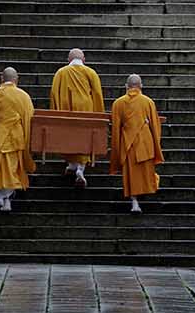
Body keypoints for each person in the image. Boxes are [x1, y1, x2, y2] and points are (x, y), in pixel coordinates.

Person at [49, 48, 105, 188]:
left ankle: (72, 164)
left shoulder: (61, 72)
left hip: (66, 108)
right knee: (84, 136)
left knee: (69, 135)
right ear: (84, 59)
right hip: (86, 108)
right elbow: (97, 94)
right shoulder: (90, 73)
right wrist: (99, 115)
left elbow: (54, 93)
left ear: (68, 60)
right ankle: (80, 168)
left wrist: (55, 112)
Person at [110, 73, 164, 214]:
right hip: (145, 143)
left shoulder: (118, 103)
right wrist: (156, 143)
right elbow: (155, 126)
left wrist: (116, 150)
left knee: (131, 174)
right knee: (147, 172)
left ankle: (134, 202)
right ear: (141, 86)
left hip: (128, 144)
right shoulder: (148, 102)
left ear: (126, 87)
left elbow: (115, 129)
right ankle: (146, 190)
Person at [0, 66, 35, 212]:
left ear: (1, 79)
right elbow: (29, 117)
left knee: (0, 168)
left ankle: (4, 199)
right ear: (16, 80)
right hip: (16, 137)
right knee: (11, 168)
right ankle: (6, 198)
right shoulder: (23, 96)